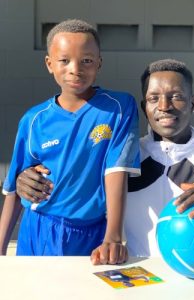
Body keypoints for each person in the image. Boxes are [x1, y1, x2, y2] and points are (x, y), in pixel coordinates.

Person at [14, 59, 194, 259]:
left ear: (193, 103)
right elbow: (71, 195)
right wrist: (28, 180)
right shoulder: (118, 161)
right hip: (139, 286)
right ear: (144, 107)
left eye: (176, 97)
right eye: (154, 98)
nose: (165, 106)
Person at [0, 19, 140, 264]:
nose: (75, 69)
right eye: (64, 60)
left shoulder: (118, 108)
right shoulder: (34, 120)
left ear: (99, 63)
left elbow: (116, 171)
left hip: (94, 232)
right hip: (40, 228)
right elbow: (13, 189)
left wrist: (113, 236)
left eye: (86, 60)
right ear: (49, 64)